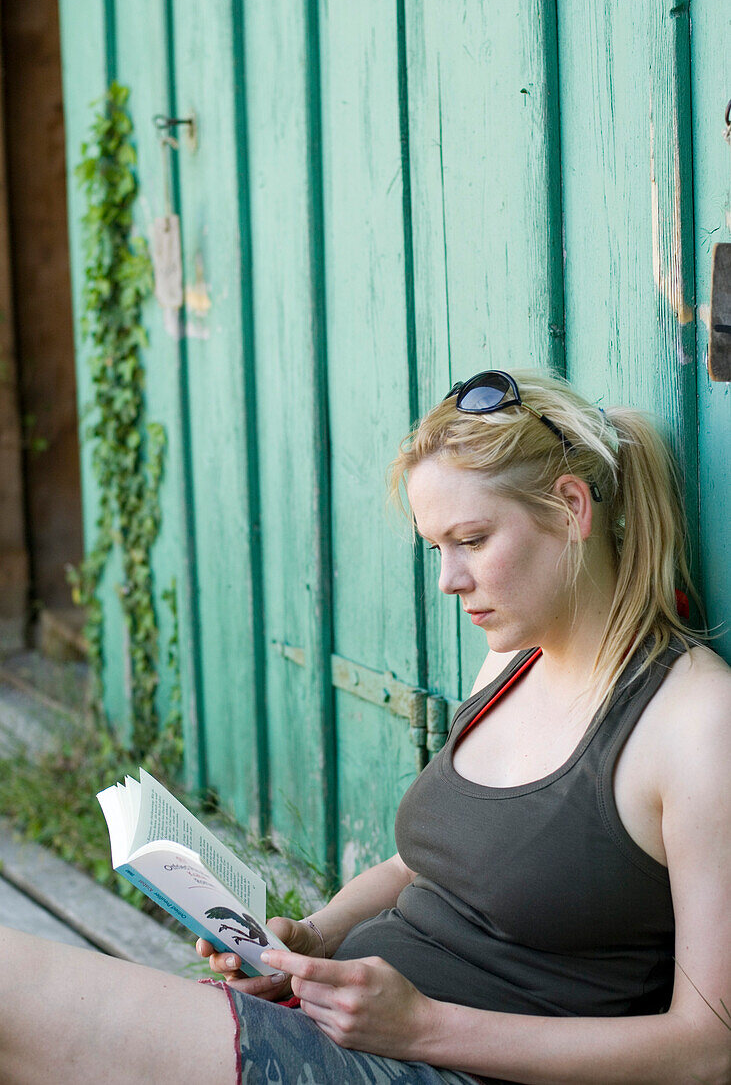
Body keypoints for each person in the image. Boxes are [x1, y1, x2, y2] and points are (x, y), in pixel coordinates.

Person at [1, 369, 728, 1085]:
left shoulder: (694, 722)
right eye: (435, 547)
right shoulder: (508, 666)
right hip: (339, 1027)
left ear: (571, 507)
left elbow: (707, 1051)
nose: (448, 580)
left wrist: (421, 1028)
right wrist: (313, 939)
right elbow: (420, 868)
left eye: (471, 540)